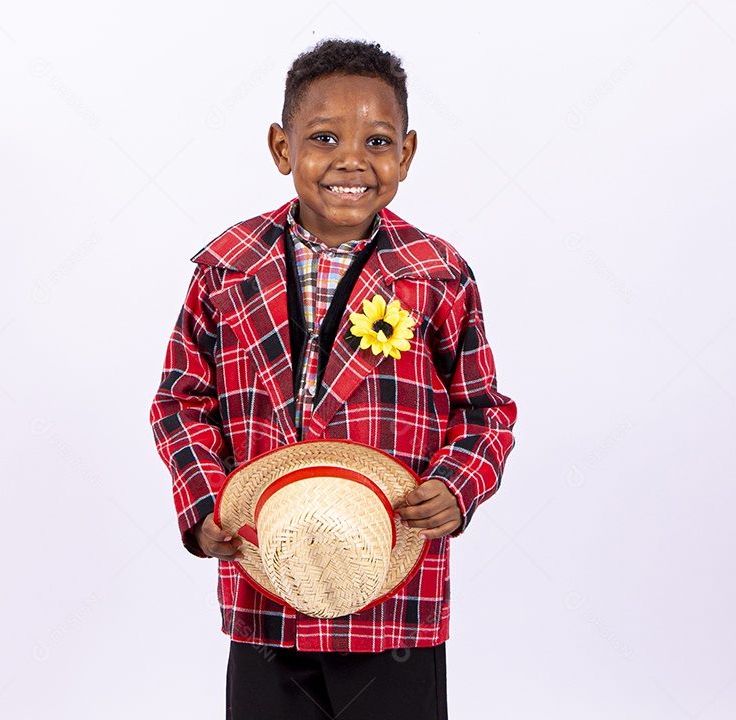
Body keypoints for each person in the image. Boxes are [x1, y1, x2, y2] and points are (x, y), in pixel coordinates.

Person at [150, 38, 517, 720]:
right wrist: (205, 504)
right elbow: (181, 400)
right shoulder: (226, 271)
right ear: (282, 149)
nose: (352, 160)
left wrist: (456, 486)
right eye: (324, 137)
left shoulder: (436, 275)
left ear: (406, 154)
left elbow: (484, 410)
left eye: (377, 141)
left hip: (393, 595)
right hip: (269, 584)